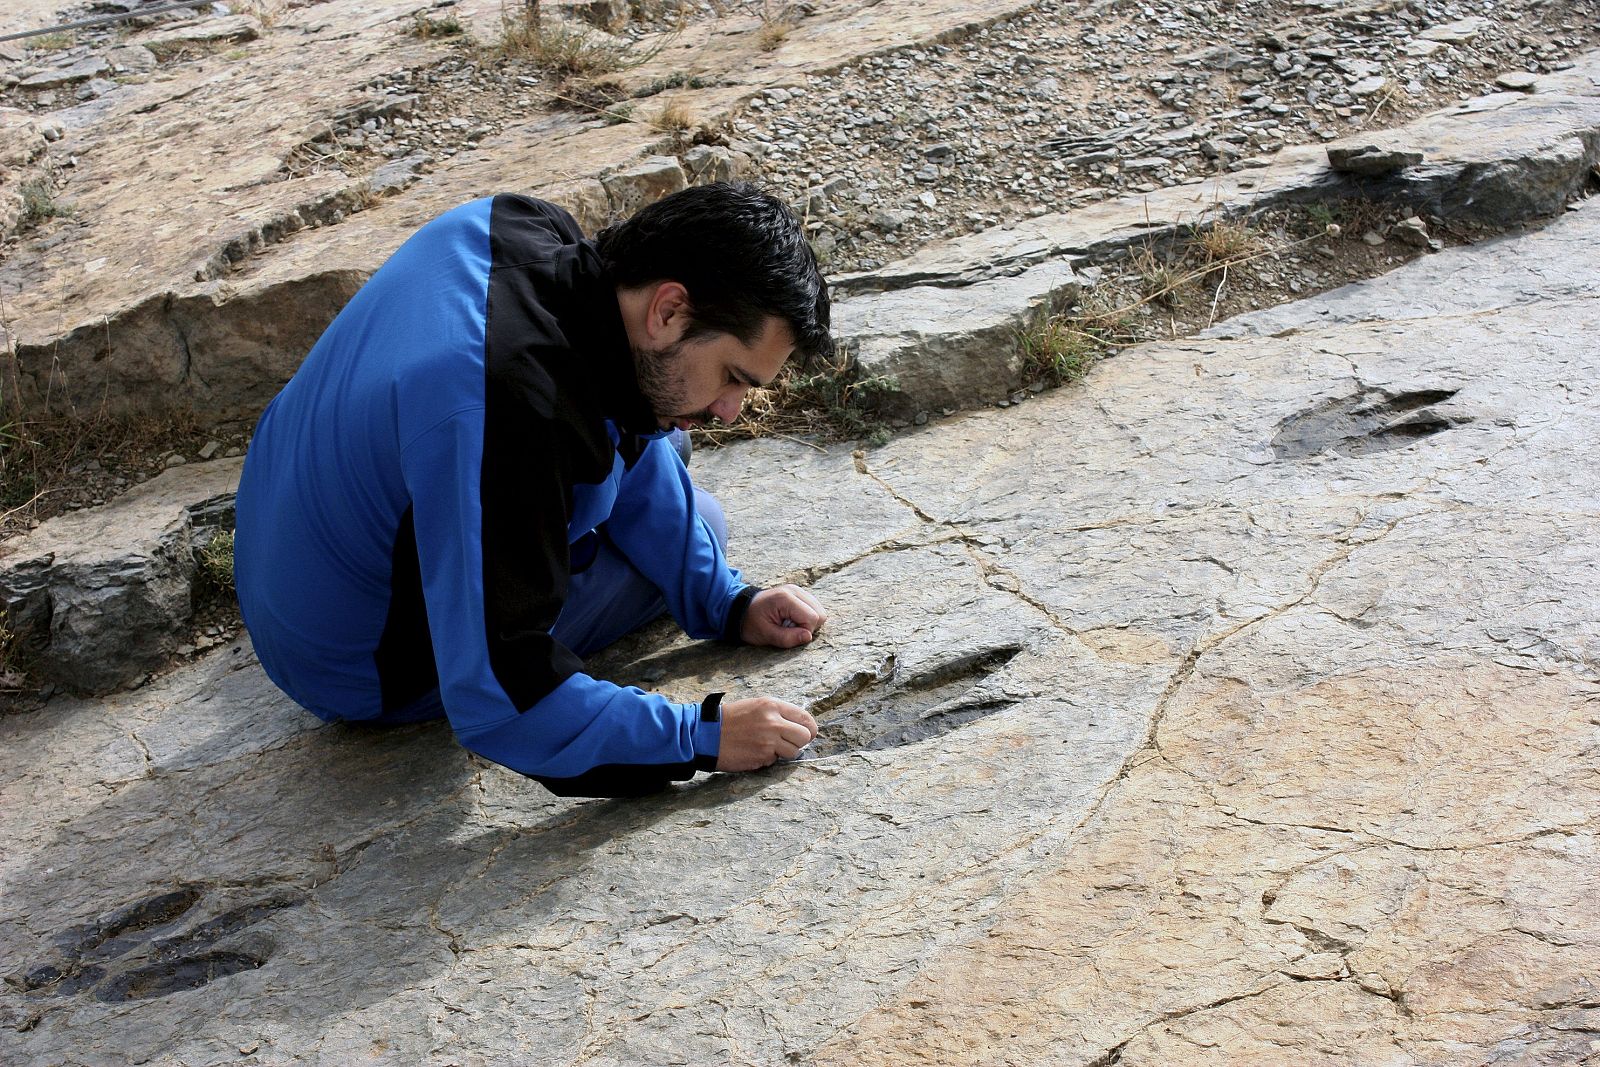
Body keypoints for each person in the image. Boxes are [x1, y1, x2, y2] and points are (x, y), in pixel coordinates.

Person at [233, 182, 834, 797]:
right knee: (697, 514)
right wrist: (698, 736)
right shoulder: (506, 408)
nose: (732, 411)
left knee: (666, 431)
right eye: (733, 377)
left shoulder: (522, 225)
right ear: (669, 310)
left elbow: (619, 418)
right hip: (359, 666)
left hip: (287, 570)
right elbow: (500, 694)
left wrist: (726, 602)